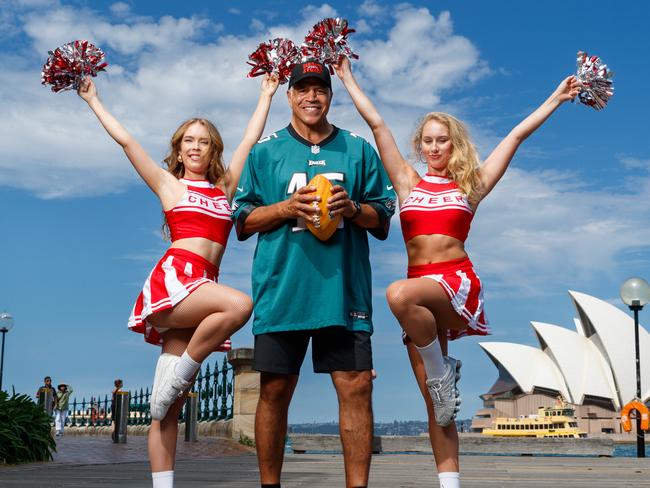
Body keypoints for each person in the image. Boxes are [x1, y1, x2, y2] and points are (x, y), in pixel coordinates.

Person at [334, 56, 580, 488]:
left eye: (442, 141)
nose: (433, 148)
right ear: (419, 145)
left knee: (396, 295)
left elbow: (516, 135)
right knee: (438, 407)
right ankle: (450, 480)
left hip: (452, 285)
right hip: (420, 302)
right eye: (427, 141)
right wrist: (348, 78)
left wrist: (556, 99)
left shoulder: (472, 185)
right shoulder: (407, 183)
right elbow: (377, 126)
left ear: (454, 145)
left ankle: (443, 373)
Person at [77, 73, 279, 488]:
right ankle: (186, 371)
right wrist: (93, 100)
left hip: (204, 287)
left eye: (203, 141)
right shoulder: (170, 185)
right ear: (179, 148)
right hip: (176, 283)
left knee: (162, 409)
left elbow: (248, 140)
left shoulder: (224, 188)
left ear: (212, 149)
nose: (196, 147)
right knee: (240, 305)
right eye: (189, 140)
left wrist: (267, 94)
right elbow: (128, 143)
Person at [232, 60, 395, 488]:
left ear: (329, 95)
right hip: (282, 289)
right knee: (274, 390)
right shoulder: (265, 152)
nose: (311, 97)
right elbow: (243, 220)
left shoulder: (357, 149)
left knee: (357, 386)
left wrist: (354, 208)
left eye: (319, 89)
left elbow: (383, 216)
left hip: (344, 292)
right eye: (302, 89)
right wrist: (286, 208)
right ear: (289, 96)